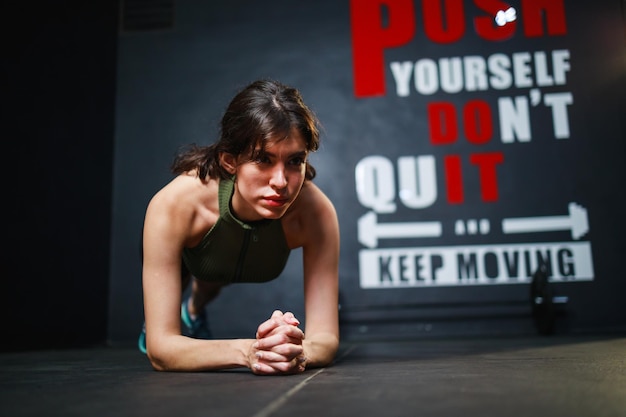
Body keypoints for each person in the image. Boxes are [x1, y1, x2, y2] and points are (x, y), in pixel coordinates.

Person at [138, 79, 340, 375]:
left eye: (295, 160)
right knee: (204, 279)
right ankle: (192, 306)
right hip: (198, 257)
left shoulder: (316, 214)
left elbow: (326, 339)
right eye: (262, 159)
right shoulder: (175, 206)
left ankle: (194, 311)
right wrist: (250, 351)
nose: (281, 182)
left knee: (211, 284)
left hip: (240, 258)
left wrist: (293, 348)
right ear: (230, 161)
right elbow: (160, 350)